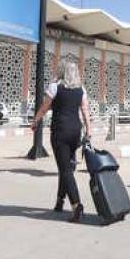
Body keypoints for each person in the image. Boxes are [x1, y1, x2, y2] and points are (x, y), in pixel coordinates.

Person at [30, 61, 91, 223]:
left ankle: (76, 205)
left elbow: (44, 107)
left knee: (65, 170)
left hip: (60, 132)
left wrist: (35, 121)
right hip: (75, 132)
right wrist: (89, 130)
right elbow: (85, 110)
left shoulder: (54, 87)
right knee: (66, 167)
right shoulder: (81, 89)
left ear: (61, 72)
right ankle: (59, 201)